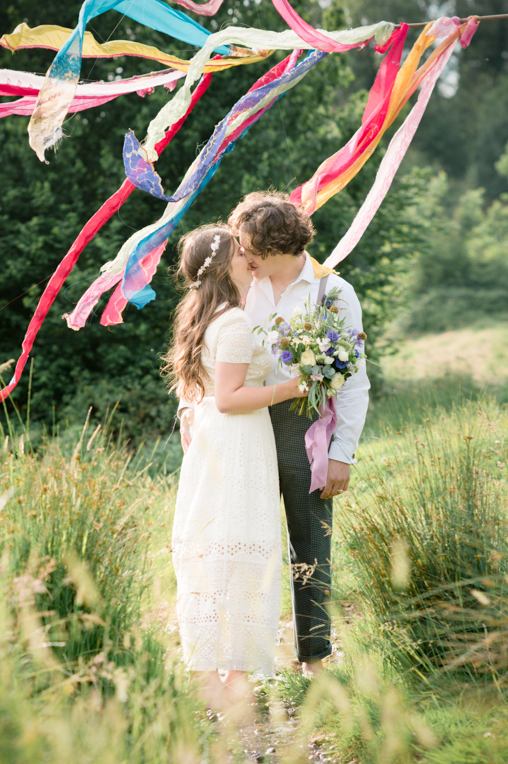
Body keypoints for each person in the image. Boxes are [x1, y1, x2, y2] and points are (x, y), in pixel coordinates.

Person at [180, 192, 370, 677]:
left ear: (271, 246)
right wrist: (188, 406)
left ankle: (314, 658)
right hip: (241, 434)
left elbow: (353, 380)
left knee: (310, 544)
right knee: (241, 541)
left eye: (246, 245)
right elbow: (210, 349)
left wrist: (343, 452)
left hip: (304, 428)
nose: (240, 254)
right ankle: (232, 658)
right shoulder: (241, 286)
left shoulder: (333, 293)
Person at [162, 223, 304, 711]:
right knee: (239, 550)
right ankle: (233, 680)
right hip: (237, 442)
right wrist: (289, 389)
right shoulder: (236, 323)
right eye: (242, 251)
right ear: (226, 265)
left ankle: (211, 674)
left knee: (216, 547)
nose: (250, 256)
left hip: (215, 443)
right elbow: (228, 398)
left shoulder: (209, 316)